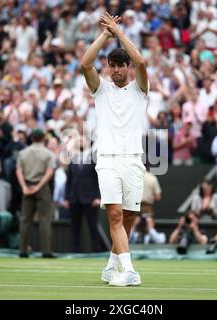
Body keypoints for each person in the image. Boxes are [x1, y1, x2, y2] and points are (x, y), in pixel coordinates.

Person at [80, 12, 148, 286]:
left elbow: (142, 61)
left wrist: (119, 33)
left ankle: (111, 266)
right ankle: (129, 271)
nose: (116, 69)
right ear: (108, 68)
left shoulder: (140, 89)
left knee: (129, 216)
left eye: (121, 65)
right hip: (107, 160)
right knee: (116, 215)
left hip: (133, 160)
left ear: (127, 67)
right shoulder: (101, 89)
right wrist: (105, 35)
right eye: (112, 65)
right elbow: (85, 64)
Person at [16, 128, 56, 258]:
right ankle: (46, 251)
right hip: (42, 188)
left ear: (31, 138)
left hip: (27, 186)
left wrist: (24, 187)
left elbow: (18, 171)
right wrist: (39, 186)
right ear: (44, 138)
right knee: (44, 220)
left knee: (25, 220)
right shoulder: (48, 154)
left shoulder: (23, 153)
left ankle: (22, 250)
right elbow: (50, 171)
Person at [64, 136, 101, 253]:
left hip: (90, 199)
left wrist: (98, 197)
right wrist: (66, 198)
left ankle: (96, 249)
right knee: (75, 227)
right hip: (74, 198)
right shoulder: (72, 158)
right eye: (78, 140)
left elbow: (98, 180)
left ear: (87, 143)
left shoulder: (93, 158)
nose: (80, 142)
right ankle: (75, 250)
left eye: (82, 140)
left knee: (93, 226)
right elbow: (69, 180)